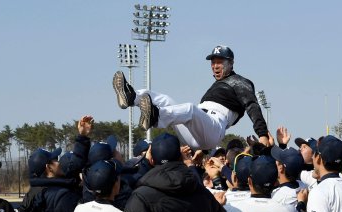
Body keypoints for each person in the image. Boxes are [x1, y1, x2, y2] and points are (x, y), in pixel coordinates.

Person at [112, 45, 270, 150]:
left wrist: (262, 134)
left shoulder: (240, 82)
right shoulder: (216, 86)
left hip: (214, 128)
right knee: (166, 100)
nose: (215, 66)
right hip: (196, 133)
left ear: (231, 63)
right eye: (213, 62)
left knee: (189, 109)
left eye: (219, 62)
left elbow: (252, 105)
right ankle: (131, 97)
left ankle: (154, 116)